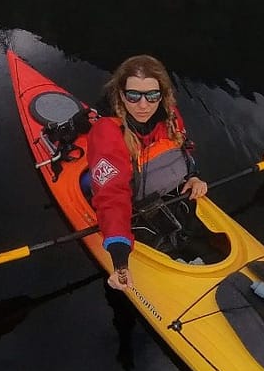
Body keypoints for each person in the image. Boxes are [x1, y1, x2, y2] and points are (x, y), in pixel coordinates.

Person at [83, 54, 208, 289]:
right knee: (95, 184)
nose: (143, 105)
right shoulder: (107, 133)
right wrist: (120, 262)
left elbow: (185, 149)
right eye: (133, 95)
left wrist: (193, 176)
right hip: (122, 197)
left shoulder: (170, 116)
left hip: (155, 191)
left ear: (162, 95)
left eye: (152, 96)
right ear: (121, 94)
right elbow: (112, 197)